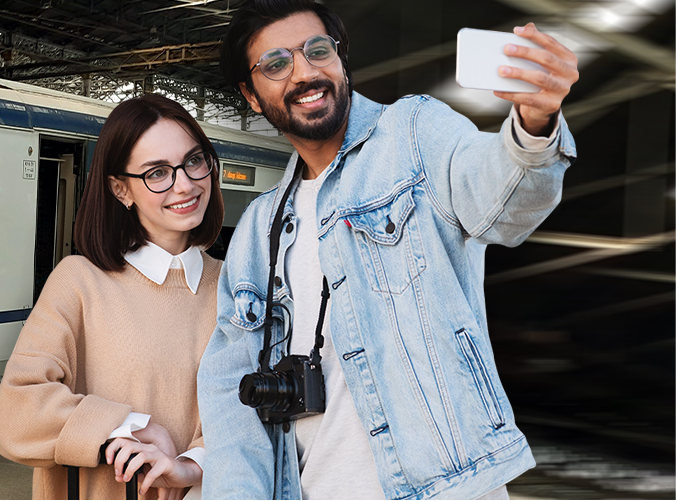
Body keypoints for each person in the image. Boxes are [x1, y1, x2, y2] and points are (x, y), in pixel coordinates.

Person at [195, 0, 579, 499]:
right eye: (276, 64)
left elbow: (501, 203)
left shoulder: (415, 134)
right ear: (250, 94)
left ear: (341, 58)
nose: (305, 73)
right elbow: (232, 397)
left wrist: (535, 122)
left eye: (317, 51)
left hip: (448, 490)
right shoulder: (257, 230)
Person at [0, 94, 224, 500]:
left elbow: (253, 421)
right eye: (157, 173)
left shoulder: (236, 287)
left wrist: (190, 465)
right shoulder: (80, 281)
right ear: (121, 190)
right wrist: (132, 425)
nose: (186, 184)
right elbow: (18, 413)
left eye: (194, 161)